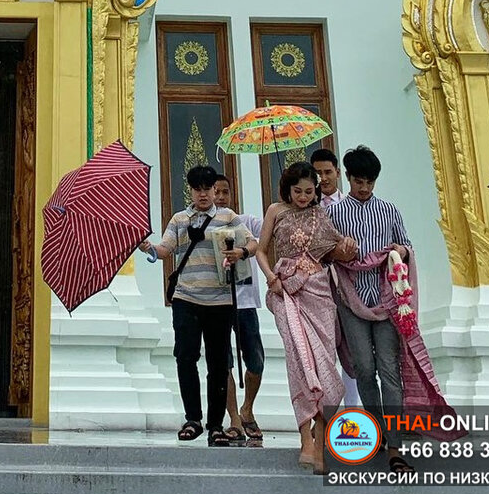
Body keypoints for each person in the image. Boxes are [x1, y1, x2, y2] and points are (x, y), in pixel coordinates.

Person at [254, 161, 358, 472]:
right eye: (297, 191)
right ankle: (305, 438)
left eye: (309, 191)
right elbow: (261, 249)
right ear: (287, 189)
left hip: (319, 292)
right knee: (298, 359)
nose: (303, 197)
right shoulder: (275, 210)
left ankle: (321, 434)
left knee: (325, 361)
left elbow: (336, 247)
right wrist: (270, 275)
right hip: (286, 292)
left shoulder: (321, 214)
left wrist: (348, 246)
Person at [138, 165, 246, 447]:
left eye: (207, 189)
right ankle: (192, 419)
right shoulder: (179, 219)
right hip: (186, 298)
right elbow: (165, 250)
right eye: (197, 189)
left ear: (214, 190)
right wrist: (147, 247)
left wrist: (240, 252)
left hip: (220, 299)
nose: (203, 194)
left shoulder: (228, 218)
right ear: (190, 190)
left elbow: (252, 244)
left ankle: (216, 425)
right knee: (185, 358)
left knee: (218, 363)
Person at [327, 146, 415, 472]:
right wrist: (341, 251)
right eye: (358, 180)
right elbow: (325, 253)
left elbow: (407, 247)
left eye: (369, 182)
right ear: (348, 178)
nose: (364, 187)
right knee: (364, 368)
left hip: (388, 299)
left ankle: (395, 444)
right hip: (351, 300)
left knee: (390, 370)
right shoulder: (334, 213)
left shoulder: (389, 211)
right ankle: (377, 428)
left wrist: (397, 251)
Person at [211, 175, 265, 445]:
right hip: (218, 302)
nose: (220, 197)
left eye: (225, 191)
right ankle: (233, 417)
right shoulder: (205, 227)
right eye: (216, 192)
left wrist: (244, 251)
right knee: (224, 363)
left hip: (245, 303)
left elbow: (263, 239)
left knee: (255, 361)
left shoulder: (248, 221)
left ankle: (248, 408)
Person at [310, 146, 361, 407]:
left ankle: (354, 409)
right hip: (318, 286)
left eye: (327, 172)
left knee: (353, 349)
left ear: (338, 173)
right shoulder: (307, 209)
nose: (323, 179)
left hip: (350, 285)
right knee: (323, 349)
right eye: (317, 173)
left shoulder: (351, 205)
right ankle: (326, 412)